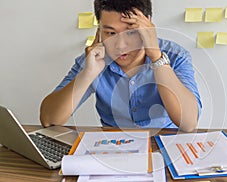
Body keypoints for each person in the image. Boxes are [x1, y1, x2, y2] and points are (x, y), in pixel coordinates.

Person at [40, 0, 201, 132]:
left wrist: (156, 58)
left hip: (167, 144)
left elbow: (188, 123)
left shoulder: (176, 56)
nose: (121, 45)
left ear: (148, 25)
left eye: (131, 32)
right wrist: (88, 73)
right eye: (110, 33)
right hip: (114, 147)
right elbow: (49, 120)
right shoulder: (93, 60)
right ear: (99, 30)